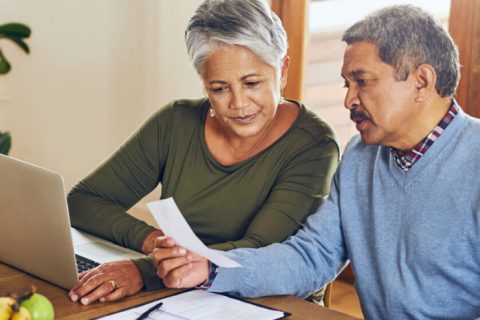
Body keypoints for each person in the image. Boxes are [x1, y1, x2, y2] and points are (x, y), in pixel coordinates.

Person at [152, 5, 480, 319]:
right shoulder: (359, 158)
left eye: (362, 81)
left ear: (421, 82)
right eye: (346, 84)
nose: (349, 99)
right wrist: (211, 268)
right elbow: (312, 256)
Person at [67, 0, 339, 306]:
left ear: (283, 70)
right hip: (180, 297)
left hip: (270, 304)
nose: (238, 104)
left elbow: (261, 250)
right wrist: (154, 243)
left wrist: (146, 271)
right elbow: (82, 201)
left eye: (252, 83)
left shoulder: (314, 145)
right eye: (219, 88)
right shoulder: (176, 122)